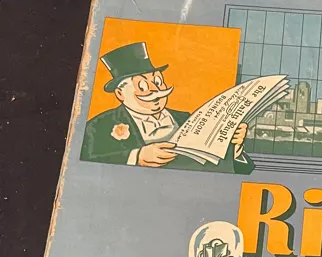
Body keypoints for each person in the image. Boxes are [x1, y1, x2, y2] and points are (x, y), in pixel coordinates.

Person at [80, 41, 254, 173]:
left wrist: (235, 149)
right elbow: (83, 167)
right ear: (120, 94)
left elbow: (240, 171)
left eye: (157, 82)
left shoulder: (187, 118)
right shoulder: (98, 126)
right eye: (142, 86)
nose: (155, 91)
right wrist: (136, 157)